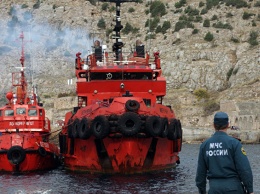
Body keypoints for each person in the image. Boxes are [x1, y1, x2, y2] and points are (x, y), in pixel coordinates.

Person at [195, 111, 254, 194]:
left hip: (214, 189)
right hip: (234, 188)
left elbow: (200, 173)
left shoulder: (205, 145)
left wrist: (202, 191)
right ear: (228, 125)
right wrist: (250, 190)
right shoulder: (235, 143)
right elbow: (244, 169)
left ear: (213, 125)